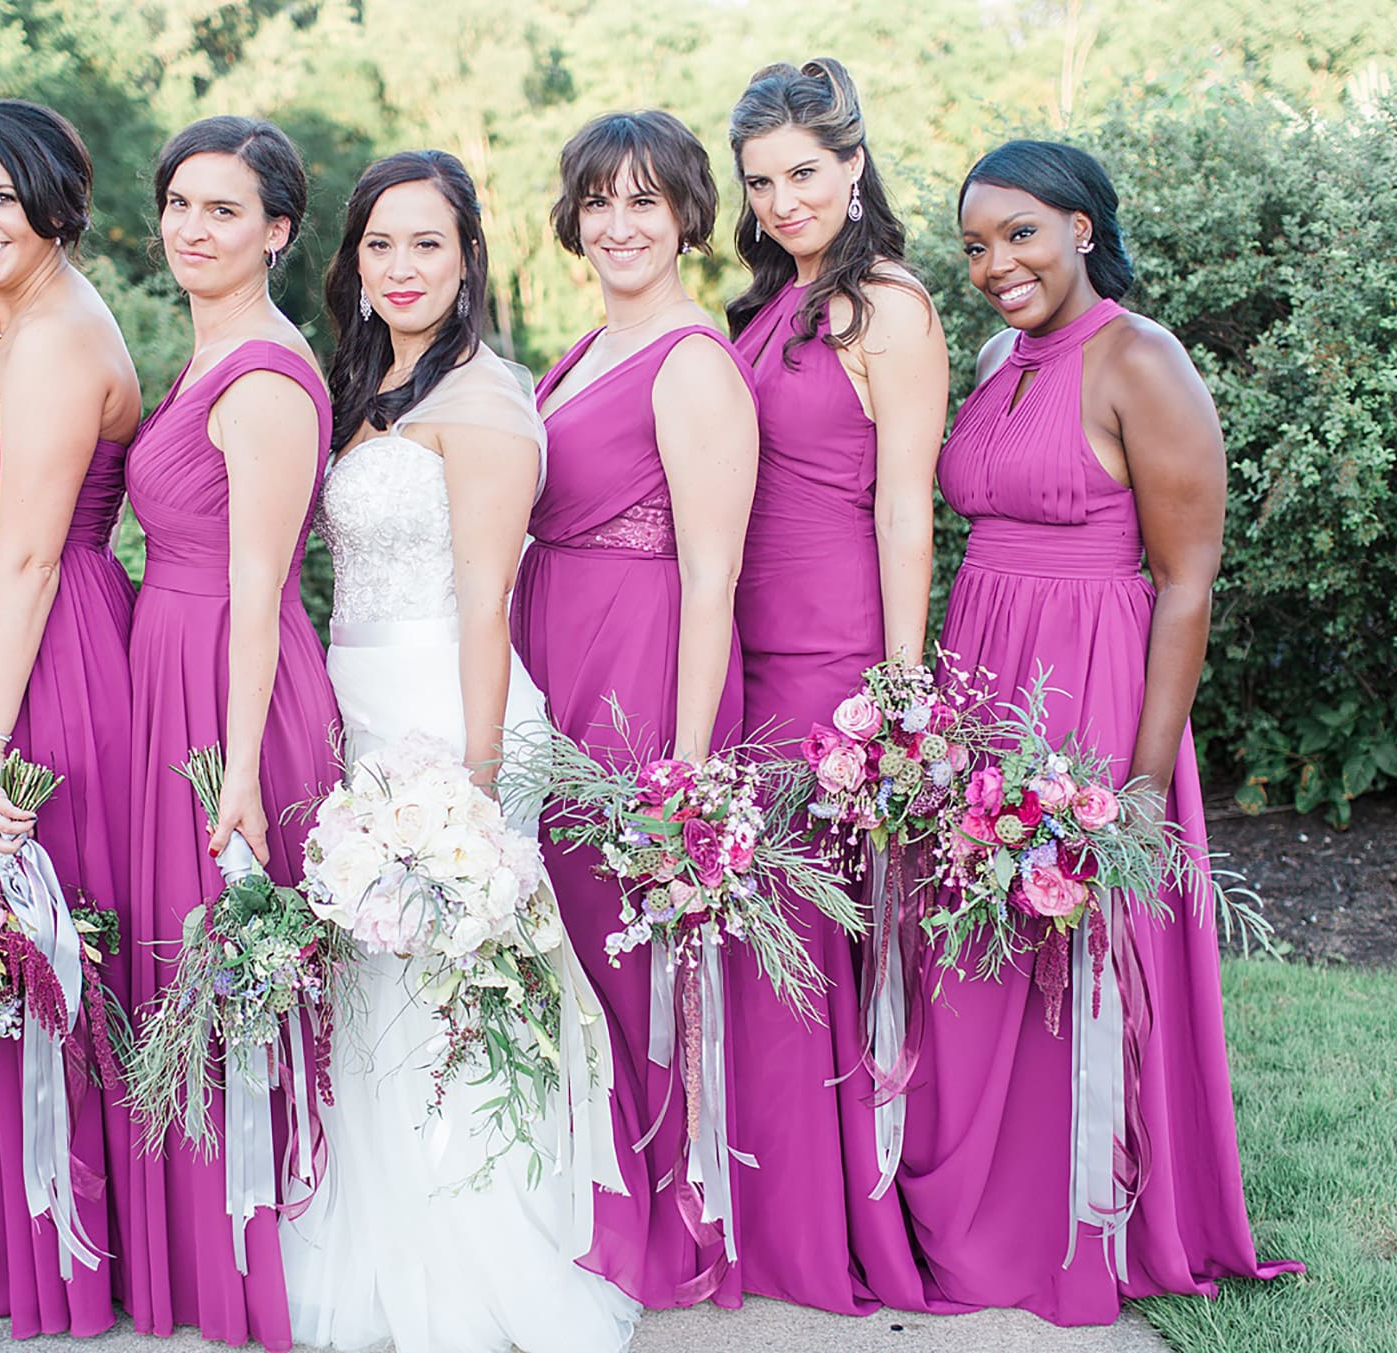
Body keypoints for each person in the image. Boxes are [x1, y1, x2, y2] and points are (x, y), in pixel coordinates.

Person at [901, 139, 1302, 1323]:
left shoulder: (1141, 358)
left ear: (1082, 226)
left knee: (1073, 946)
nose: (993, 264)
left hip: (1085, 679)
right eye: (974, 245)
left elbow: (1185, 580)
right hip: (984, 666)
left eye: (1019, 233)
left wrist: (1136, 776)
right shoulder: (992, 356)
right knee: (975, 951)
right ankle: (981, 1207)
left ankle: (1083, 1220)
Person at [280, 148, 639, 1353]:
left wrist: (478, 795)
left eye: (425, 242)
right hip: (361, 706)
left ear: (469, 257)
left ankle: (469, 1254)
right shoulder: (369, 382)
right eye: (378, 243)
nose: (399, 266)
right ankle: (380, 1225)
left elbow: (486, 606)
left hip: (451, 714)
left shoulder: (482, 400)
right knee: (374, 979)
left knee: (444, 986)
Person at [510, 110, 759, 1310]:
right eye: (598, 201)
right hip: (552, 653)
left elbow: (714, 575)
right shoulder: (577, 353)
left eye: (644, 202)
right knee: (562, 934)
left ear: (686, 218)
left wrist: (688, 768)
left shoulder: (692, 362)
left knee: (629, 939)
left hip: (639, 667)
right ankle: (580, 1191)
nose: (618, 224)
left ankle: (663, 1216)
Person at [722, 59, 954, 1315]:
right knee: (766, 931)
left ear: (853, 164)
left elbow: (904, 501)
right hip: (744, 649)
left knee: (826, 931)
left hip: (830, 658)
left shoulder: (887, 309)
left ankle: (835, 1219)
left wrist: (899, 691)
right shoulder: (767, 304)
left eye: (803, 173)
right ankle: (771, 1202)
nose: (782, 200)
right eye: (761, 183)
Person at [112, 115, 338, 1351]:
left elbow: (263, 590)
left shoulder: (260, 377)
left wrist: (240, 769)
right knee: (181, 965)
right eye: (182, 205)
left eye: (226, 211)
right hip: (172, 666)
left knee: (232, 964)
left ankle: (254, 1259)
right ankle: (195, 1254)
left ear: (278, 232)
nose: (195, 229)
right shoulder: (209, 355)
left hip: (229, 686)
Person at [0, 98, 142, 1337]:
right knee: (6, 938)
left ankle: (71, 1256)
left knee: (39, 930)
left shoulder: (59, 335)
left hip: (37, 663)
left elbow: (31, 561)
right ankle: (11, 1229)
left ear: (53, 196)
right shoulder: (16, 318)